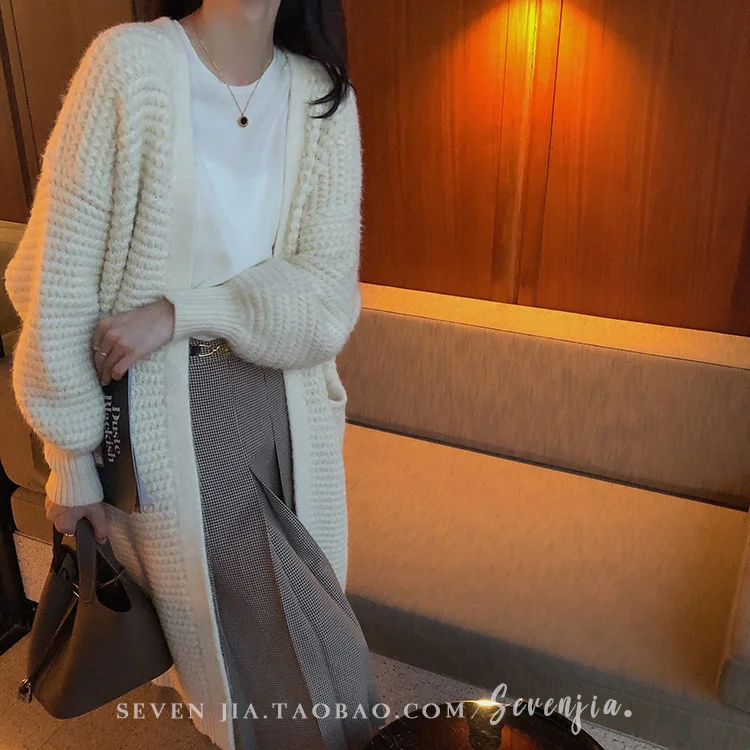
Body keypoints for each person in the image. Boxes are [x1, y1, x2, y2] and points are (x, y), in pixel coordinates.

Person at [4, 1, 384, 748]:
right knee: (306, 667)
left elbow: (326, 300)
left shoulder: (322, 98)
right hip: (168, 416)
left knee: (277, 654)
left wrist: (180, 311)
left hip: (289, 408)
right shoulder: (129, 66)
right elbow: (59, 279)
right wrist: (70, 459)